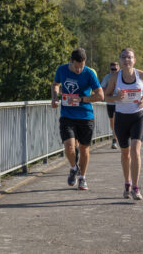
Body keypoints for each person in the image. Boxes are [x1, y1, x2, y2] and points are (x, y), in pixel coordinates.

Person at [51, 48, 104, 190]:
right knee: (69, 146)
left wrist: (82, 99)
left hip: (85, 116)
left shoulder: (89, 73)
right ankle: (74, 167)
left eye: (82, 66)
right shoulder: (62, 70)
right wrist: (55, 98)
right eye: (76, 66)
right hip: (67, 115)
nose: (79, 69)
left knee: (84, 148)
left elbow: (100, 95)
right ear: (71, 61)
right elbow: (55, 84)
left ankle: (82, 177)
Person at [105, 48, 143, 200]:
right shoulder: (114, 77)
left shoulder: (142, 75)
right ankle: (127, 183)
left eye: (130, 57)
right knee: (125, 154)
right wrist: (116, 97)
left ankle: (136, 188)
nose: (127, 60)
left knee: (135, 151)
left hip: (138, 117)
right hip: (121, 118)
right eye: (124, 57)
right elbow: (106, 97)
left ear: (135, 60)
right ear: (119, 60)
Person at [101, 62, 120, 149]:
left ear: (118, 69)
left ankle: (114, 140)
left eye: (115, 69)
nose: (113, 71)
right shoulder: (107, 77)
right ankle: (115, 136)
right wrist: (107, 94)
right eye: (112, 69)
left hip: (119, 102)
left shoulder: (121, 76)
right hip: (110, 102)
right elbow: (102, 88)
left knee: (116, 121)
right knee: (112, 121)